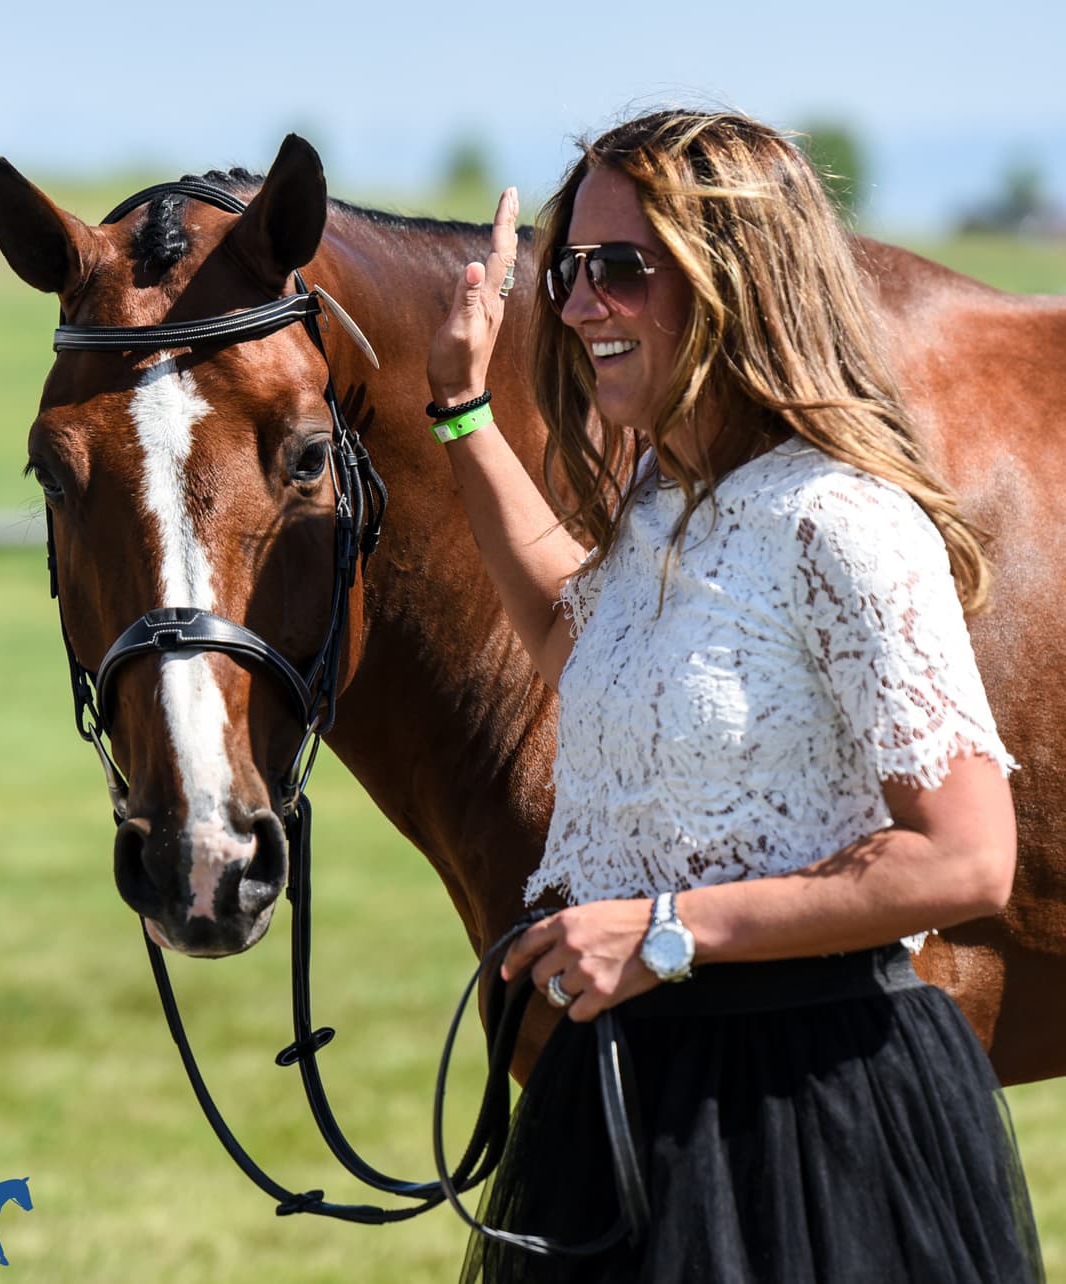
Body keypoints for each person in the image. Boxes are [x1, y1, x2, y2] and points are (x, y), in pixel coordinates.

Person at [425, 109, 1043, 1283]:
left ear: (735, 281)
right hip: (634, 1093)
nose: (574, 303)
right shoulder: (663, 502)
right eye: (567, 268)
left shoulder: (847, 524)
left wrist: (662, 930)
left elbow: (967, 861)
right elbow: (577, 641)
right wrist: (461, 414)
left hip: (804, 1122)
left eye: (619, 268)